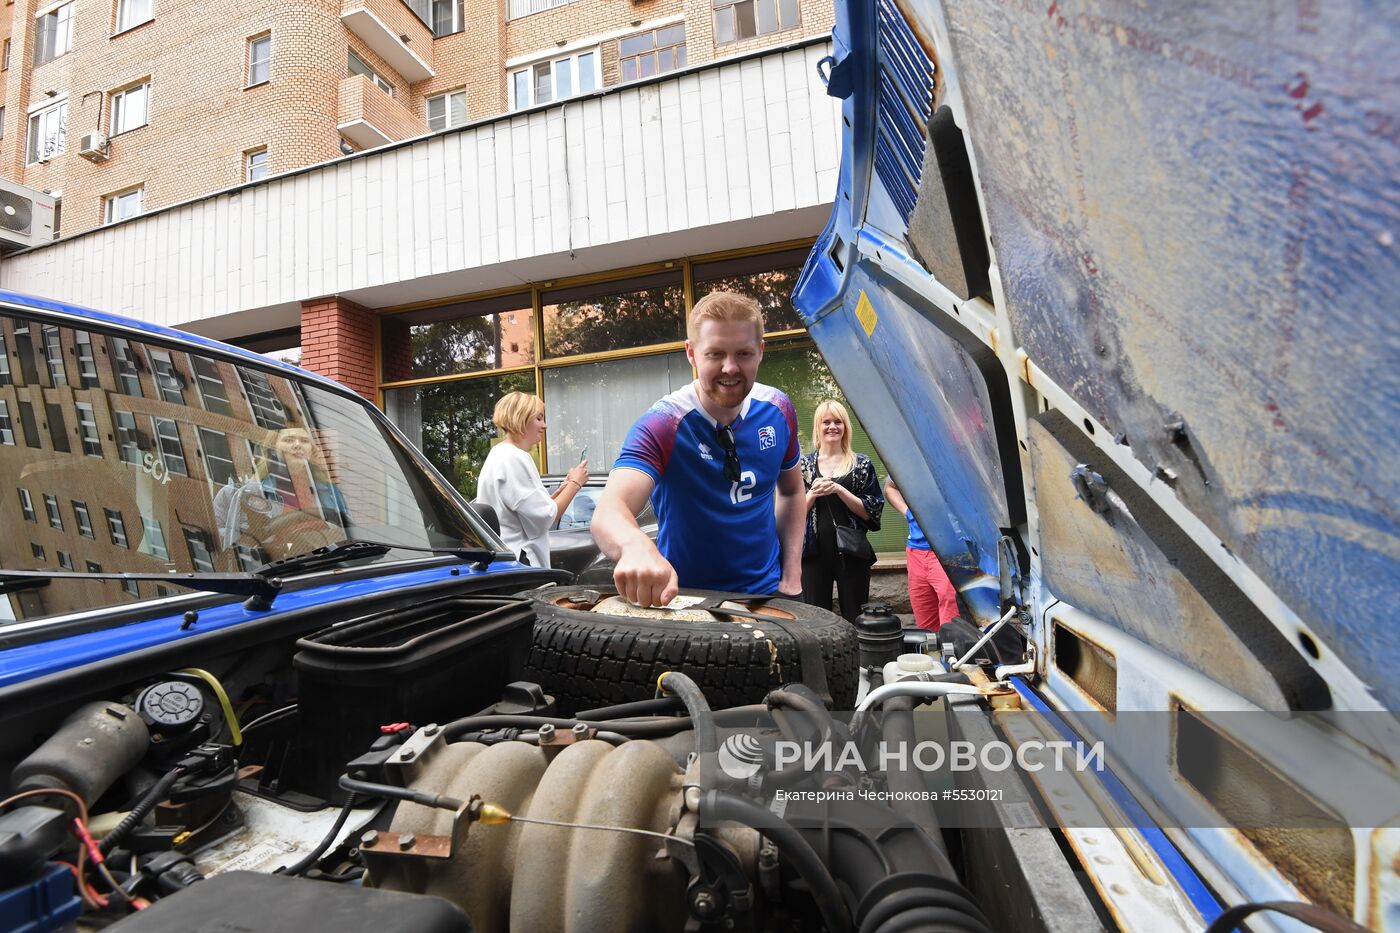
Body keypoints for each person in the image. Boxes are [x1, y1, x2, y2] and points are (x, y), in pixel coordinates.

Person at [592, 290, 805, 607]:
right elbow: (609, 509)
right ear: (691, 353)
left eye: (743, 354)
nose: (730, 368)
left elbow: (791, 491)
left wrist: (792, 574)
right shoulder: (663, 423)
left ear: (760, 351)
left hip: (768, 594)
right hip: (685, 599)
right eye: (715, 354)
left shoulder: (779, 409)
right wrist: (635, 546)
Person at [476, 391, 588, 569]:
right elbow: (546, 518)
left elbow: (522, 512)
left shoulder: (498, 454)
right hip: (521, 561)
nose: (545, 425)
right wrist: (575, 483)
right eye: (539, 418)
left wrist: (557, 494)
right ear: (521, 418)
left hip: (504, 560)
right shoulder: (515, 458)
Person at [800, 400, 884, 621]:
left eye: (838, 422)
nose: (832, 427)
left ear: (846, 426)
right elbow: (792, 515)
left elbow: (872, 511)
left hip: (852, 553)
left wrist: (839, 489)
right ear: (818, 427)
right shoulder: (804, 465)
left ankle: (857, 656)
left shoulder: (861, 464)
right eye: (826, 422)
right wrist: (813, 493)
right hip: (813, 554)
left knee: (857, 617)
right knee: (815, 619)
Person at [884, 476, 960, 631]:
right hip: (916, 552)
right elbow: (890, 487)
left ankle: (952, 655)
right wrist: (908, 513)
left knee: (951, 623)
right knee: (925, 623)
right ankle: (931, 655)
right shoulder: (911, 458)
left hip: (950, 550)